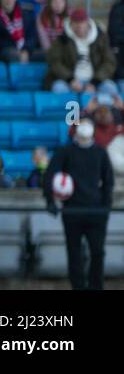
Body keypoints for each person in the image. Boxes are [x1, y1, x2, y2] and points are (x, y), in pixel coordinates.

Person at [45, 120, 113, 290]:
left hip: (95, 211)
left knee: (97, 252)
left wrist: (105, 207)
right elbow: (49, 175)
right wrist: (50, 200)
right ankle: (78, 287)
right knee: (74, 253)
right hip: (72, 210)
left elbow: (108, 182)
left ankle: (96, 286)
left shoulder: (100, 152)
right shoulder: (65, 151)